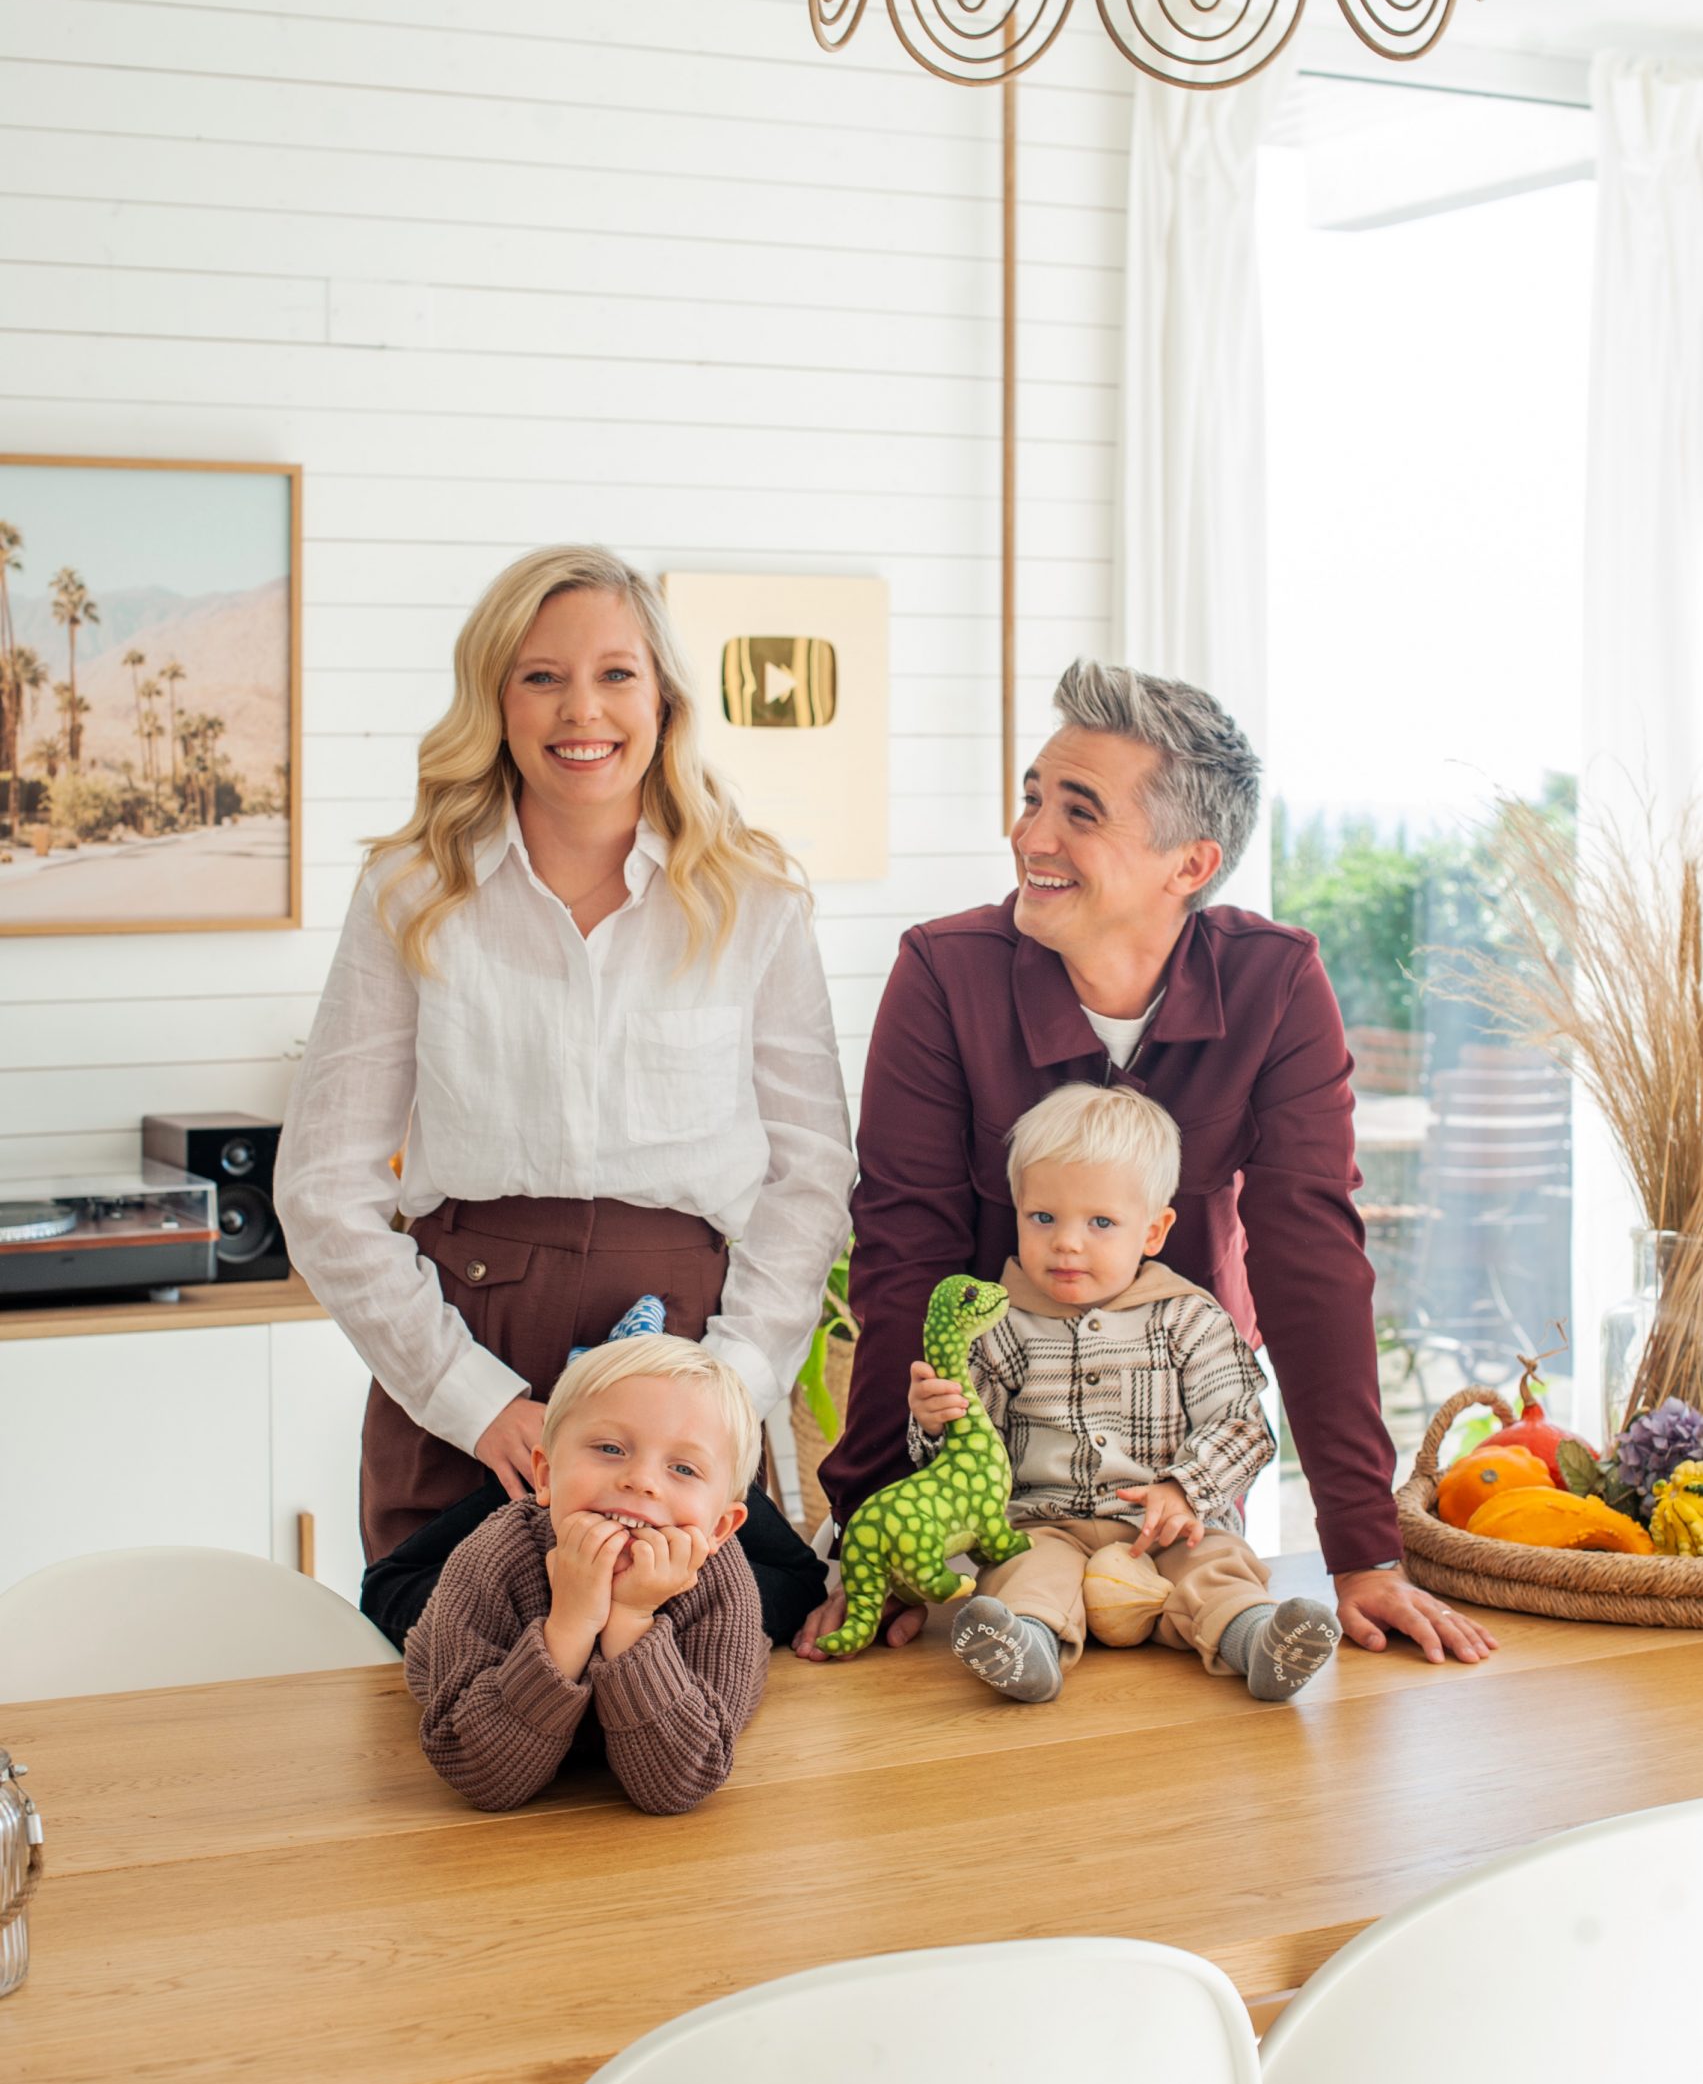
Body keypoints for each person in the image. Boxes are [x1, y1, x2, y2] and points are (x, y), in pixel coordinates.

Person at [800, 659, 1495, 1669]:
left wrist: (1360, 1549)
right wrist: (876, 1533)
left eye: (1078, 813)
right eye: (1033, 796)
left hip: (1172, 1453)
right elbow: (907, 1255)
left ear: (1188, 864)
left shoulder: (1276, 983)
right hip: (990, 1482)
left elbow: (1309, 1261)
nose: (1029, 835)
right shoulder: (942, 974)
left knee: (1189, 1697)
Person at [276, 545, 852, 1651]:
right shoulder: (411, 892)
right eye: (540, 675)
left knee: (685, 1718)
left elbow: (809, 1172)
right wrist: (475, 1400)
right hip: (469, 1344)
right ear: (493, 696)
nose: (579, 709)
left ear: (664, 696)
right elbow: (319, 1189)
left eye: (615, 674)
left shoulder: (755, 899)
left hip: (684, 1363)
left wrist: (724, 1391)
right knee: (467, 1719)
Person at [911, 1082, 1339, 1704]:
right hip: (1044, 1523)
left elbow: (1244, 1425)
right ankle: (1026, 1648)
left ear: (1154, 1231)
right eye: (1043, 1218)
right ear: (1017, 1211)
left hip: (1166, 1528)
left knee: (1214, 1568)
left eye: (1101, 1222)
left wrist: (1184, 1489)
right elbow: (965, 1460)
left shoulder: (1189, 1319)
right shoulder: (994, 1329)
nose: (1067, 1242)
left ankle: (1259, 1642)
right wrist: (932, 1422)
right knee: (1023, 1571)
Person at [406, 1336, 766, 1814]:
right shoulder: (491, 1558)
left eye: (683, 1468)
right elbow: (479, 1774)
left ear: (721, 1526)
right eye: (611, 1448)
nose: (641, 1480)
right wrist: (571, 1624)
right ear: (546, 1475)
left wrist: (631, 1620)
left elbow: (677, 1785)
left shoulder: (723, 1582)